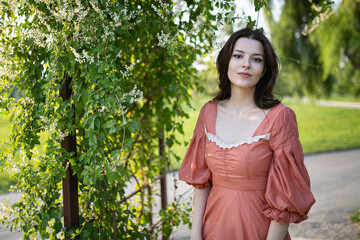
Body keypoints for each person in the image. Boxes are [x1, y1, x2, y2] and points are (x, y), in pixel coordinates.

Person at [178, 28, 315, 240]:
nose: (246, 64)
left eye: (256, 59)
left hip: (259, 231)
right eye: (238, 56)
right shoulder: (208, 112)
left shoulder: (280, 117)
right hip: (211, 230)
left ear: (264, 69)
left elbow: (286, 196)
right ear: (227, 61)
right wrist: (195, 236)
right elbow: (201, 182)